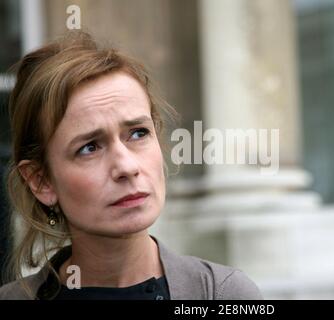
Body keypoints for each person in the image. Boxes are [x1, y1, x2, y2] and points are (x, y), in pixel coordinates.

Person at [0, 31, 262, 300]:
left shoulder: (223, 295)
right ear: (41, 180)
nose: (126, 166)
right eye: (89, 147)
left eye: (138, 133)